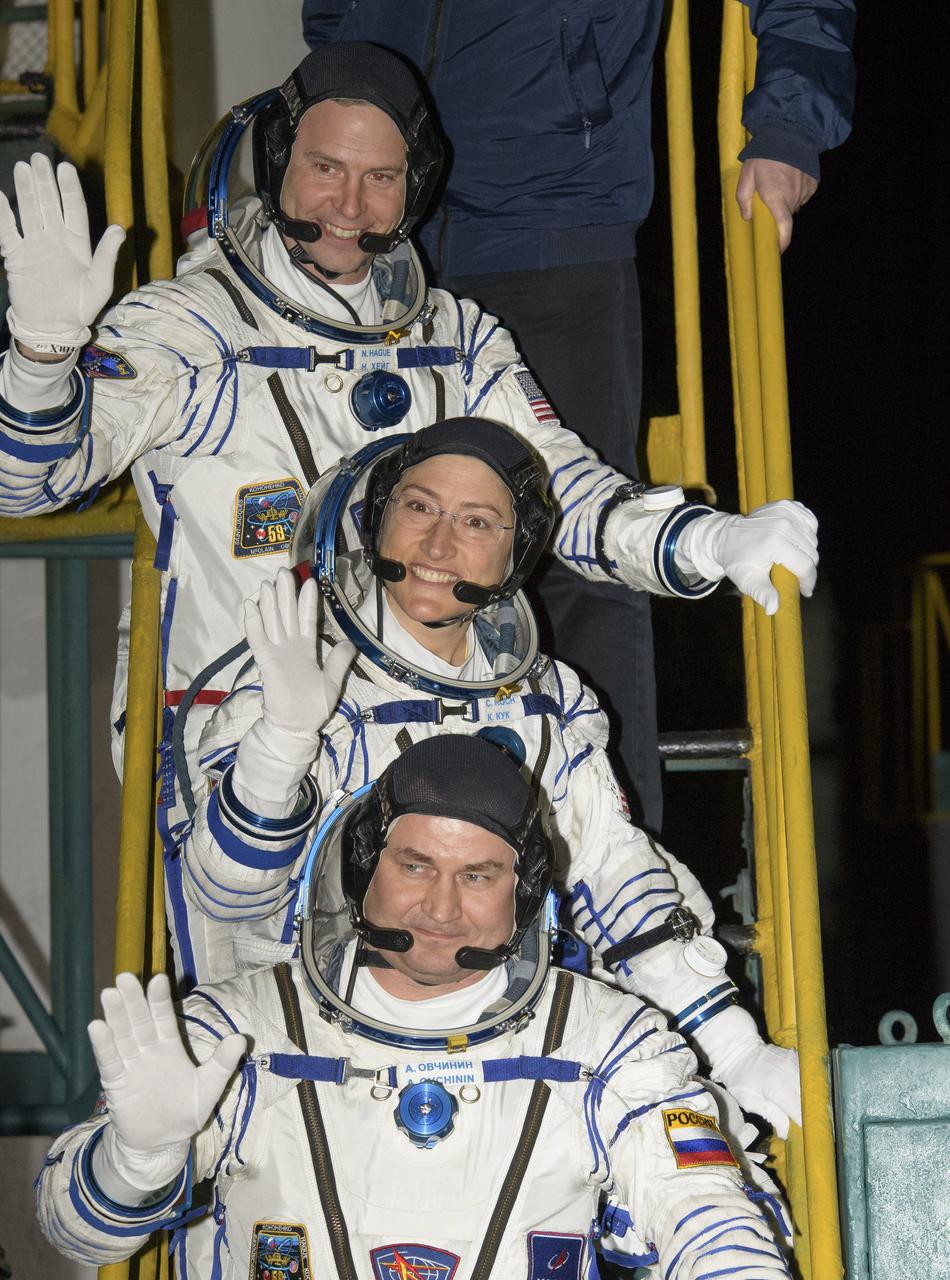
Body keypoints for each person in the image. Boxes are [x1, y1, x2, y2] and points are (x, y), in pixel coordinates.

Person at [0, 42, 818, 845]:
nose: (350, 206)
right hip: (243, 748)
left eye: (381, 178)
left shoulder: (457, 339)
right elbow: (28, 484)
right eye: (326, 168)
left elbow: (558, 494)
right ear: (278, 162)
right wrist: (41, 360)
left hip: (432, 745)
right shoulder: (191, 329)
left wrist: (709, 541)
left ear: (415, 185)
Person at [300, 1, 856, 830]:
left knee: (578, 555)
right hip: (378, 228)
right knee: (367, 542)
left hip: (551, 220)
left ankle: (613, 861)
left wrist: (787, 125)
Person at [179, 418, 801, 1138]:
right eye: (418, 507)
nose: (438, 545)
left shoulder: (547, 699)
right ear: (376, 522)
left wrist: (733, 1046)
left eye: (476, 522)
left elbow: (610, 867)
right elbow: (225, 895)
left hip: (507, 1045)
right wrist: (282, 742)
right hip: (324, 1056)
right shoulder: (290, 678)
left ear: (517, 552)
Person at [36, 735, 792, 1279]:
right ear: (364, 867)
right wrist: (136, 1160)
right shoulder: (241, 1031)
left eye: (479, 875)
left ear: (525, 892)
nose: (441, 908)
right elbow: (77, 1235)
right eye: (415, 865)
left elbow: (705, 1208)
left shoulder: (608, 1042)